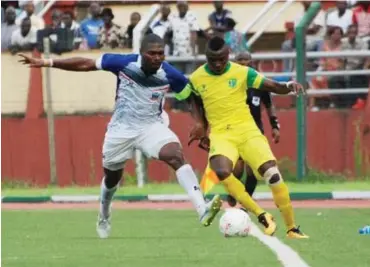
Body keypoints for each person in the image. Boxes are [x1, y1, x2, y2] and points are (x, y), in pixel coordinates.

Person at [18, 34, 221, 239]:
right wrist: (47, 62)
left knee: (175, 155)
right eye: (152, 53)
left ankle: (201, 208)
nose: (157, 57)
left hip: (151, 126)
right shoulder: (123, 63)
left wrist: (200, 123)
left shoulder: (169, 74)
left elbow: (191, 97)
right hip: (121, 130)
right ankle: (104, 214)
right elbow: (86, 64)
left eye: (161, 53)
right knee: (112, 178)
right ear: (141, 53)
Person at [177, 36, 308, 238]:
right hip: (221, 134)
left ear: (228, 55)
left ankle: (292, 228)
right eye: (214, 60)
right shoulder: (196, 78)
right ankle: (261, 214)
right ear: (207, 58)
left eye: (222, 59)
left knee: (271, 174)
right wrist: (200, 124)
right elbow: (193, 101)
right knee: (221, 169)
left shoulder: (242, 72)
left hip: (247, 130)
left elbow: (271, 85)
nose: (218, 64)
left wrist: (290, 85)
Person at [197, 52, 281, 207]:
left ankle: (246, 201)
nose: (243, 66)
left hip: (253, 132)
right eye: (240, 63)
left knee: (252, 171)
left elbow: (269, 105)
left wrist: (275, 126)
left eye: (246, 63)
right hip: (230, 132)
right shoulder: (226, 81)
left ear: (251, 63)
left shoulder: (258, 81)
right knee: (235, 170)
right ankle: (233, 194)